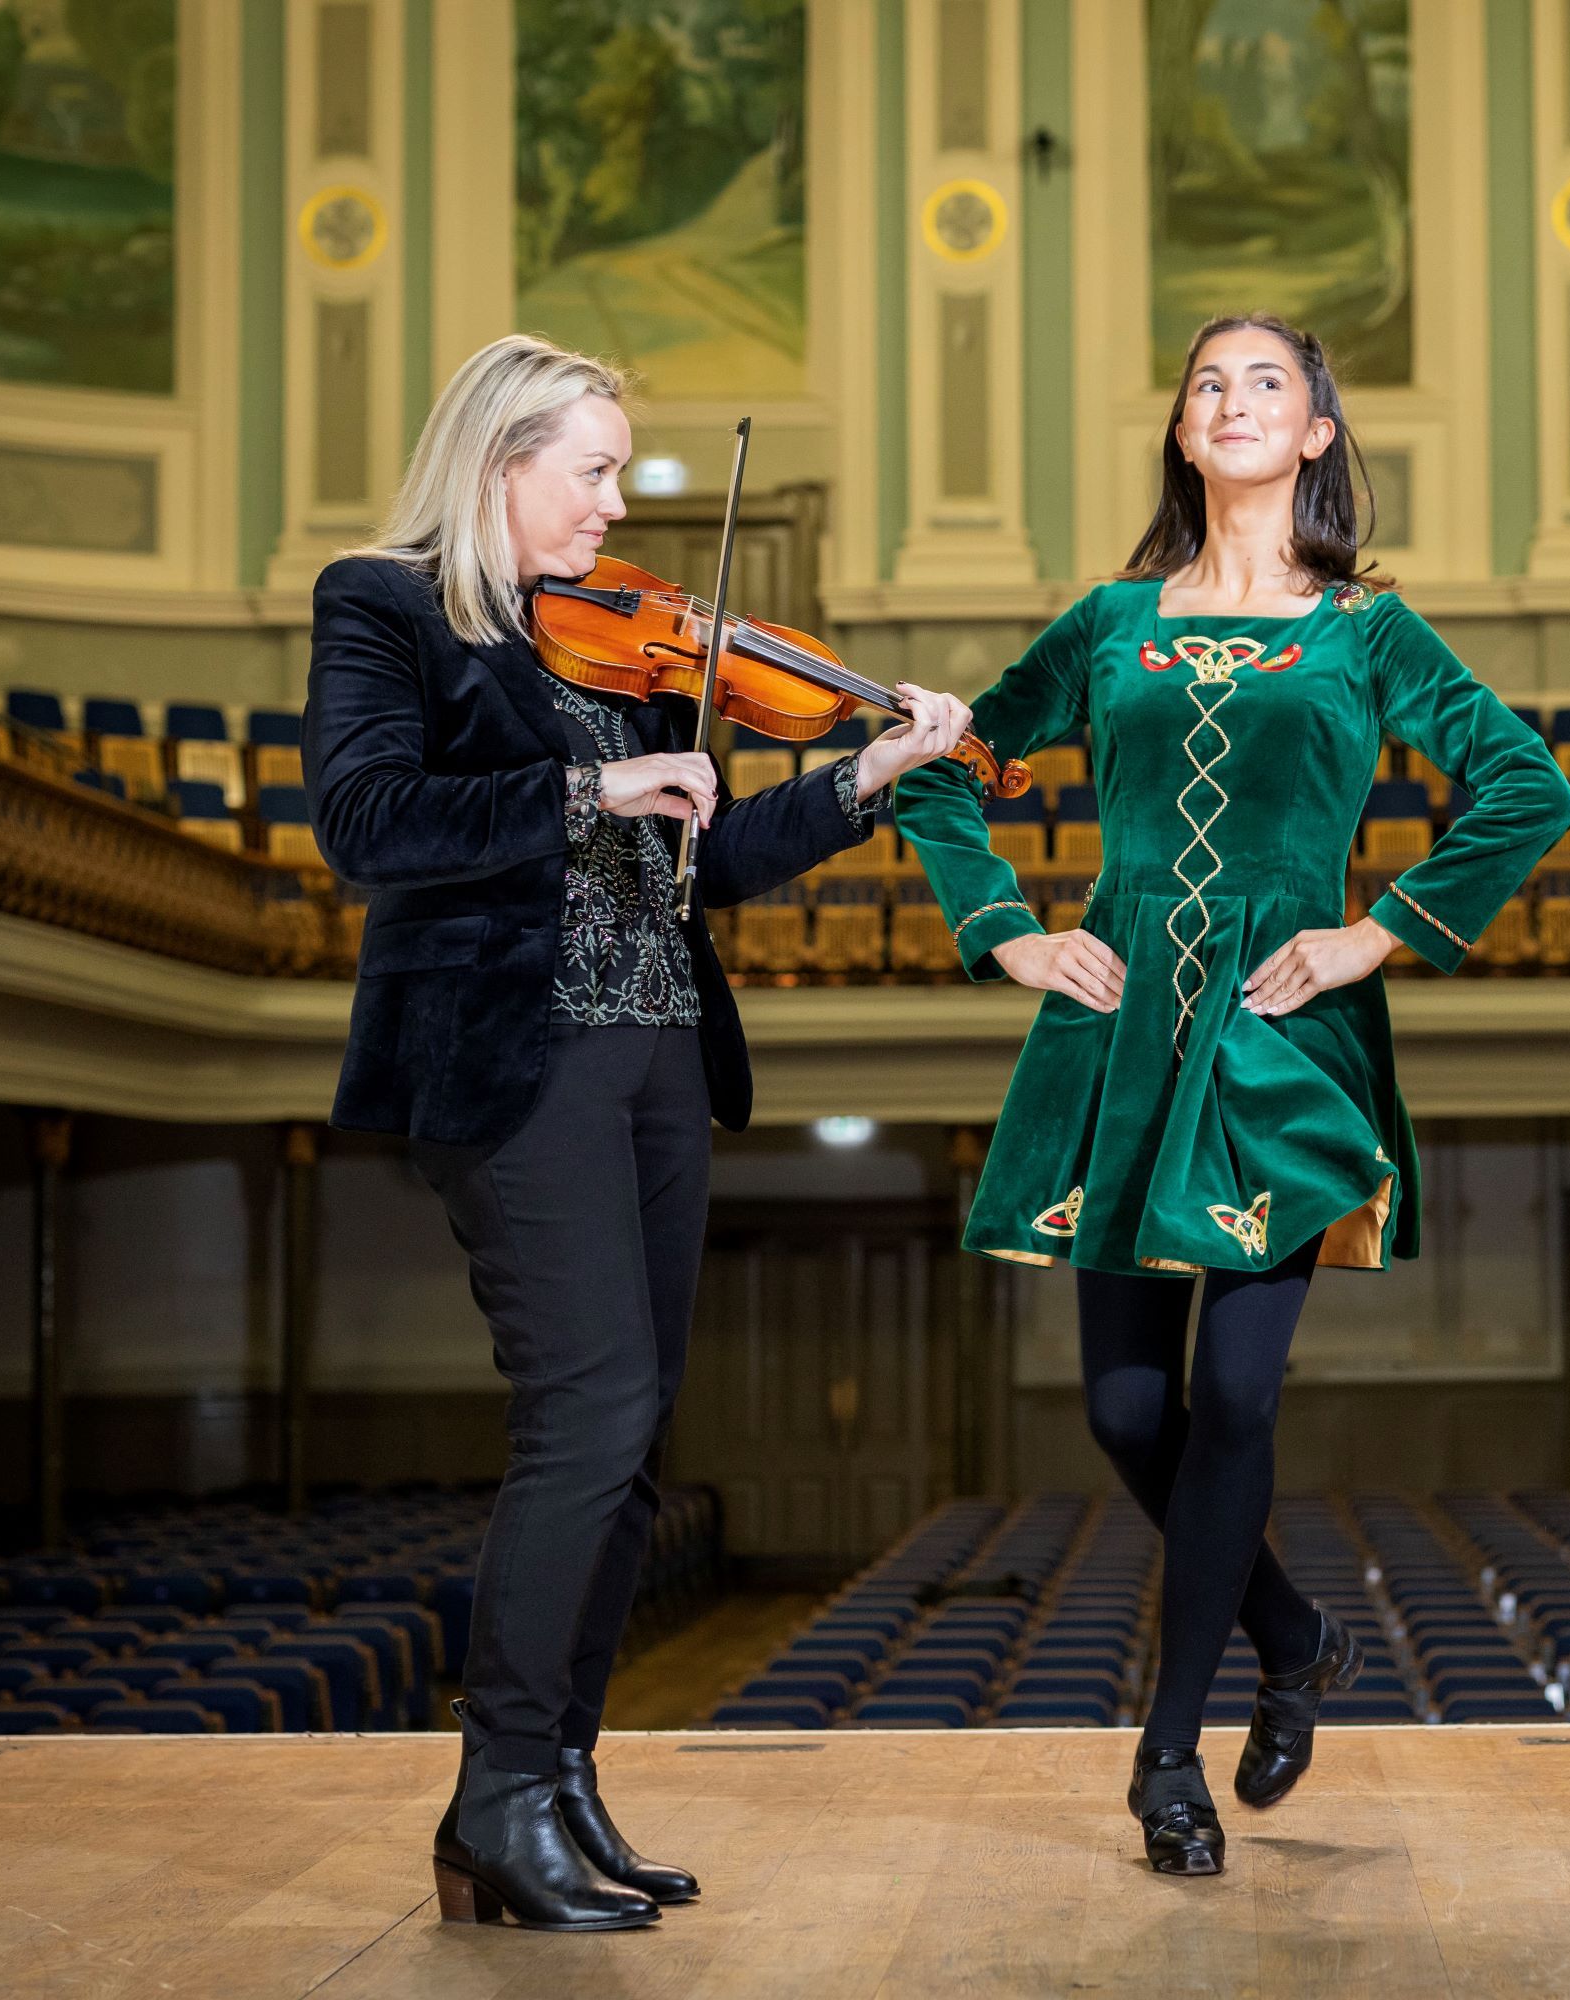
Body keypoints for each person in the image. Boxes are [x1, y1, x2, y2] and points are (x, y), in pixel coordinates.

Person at [892, 313, 1570, 1877]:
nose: (1235, 397)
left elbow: (1530, 786)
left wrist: (1373, 935)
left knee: (1245, 1399)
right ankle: (1292, 1631)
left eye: (1268, 379)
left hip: (1281, 1030)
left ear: (1319, 432)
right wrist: (1007, 931)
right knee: (1130, 1413)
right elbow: (940, 763)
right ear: (1183, 435)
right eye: (1208, 381)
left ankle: (1165, 1760)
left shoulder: (1370, 631)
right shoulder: (1109, 623)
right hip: (1122, 1027)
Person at [306, 333, 973, 1932]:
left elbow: (710, 861)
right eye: (593, 469)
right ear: (496, 461)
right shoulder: (387, 603)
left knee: (633, 1445)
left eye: (620, 470)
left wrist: (866, 774)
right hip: (514, 1062)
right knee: (588, 1415)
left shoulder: (628, 647)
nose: (618, 503)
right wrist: (585, 799)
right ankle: (494, 1798)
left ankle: (562, 1782)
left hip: (660, 1056)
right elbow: (364, 822)